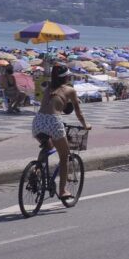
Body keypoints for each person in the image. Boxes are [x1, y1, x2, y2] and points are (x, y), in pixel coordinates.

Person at [32, 64, 91, 201]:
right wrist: (86, 125)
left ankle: (36, 171)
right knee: (64, 156)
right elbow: (79, 113)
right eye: (68, 75)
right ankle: (63, 190)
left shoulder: (47, 88)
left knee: (48, 146)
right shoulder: (70, 90)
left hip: (38, 121)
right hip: (53, 122)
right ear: (65, 77)